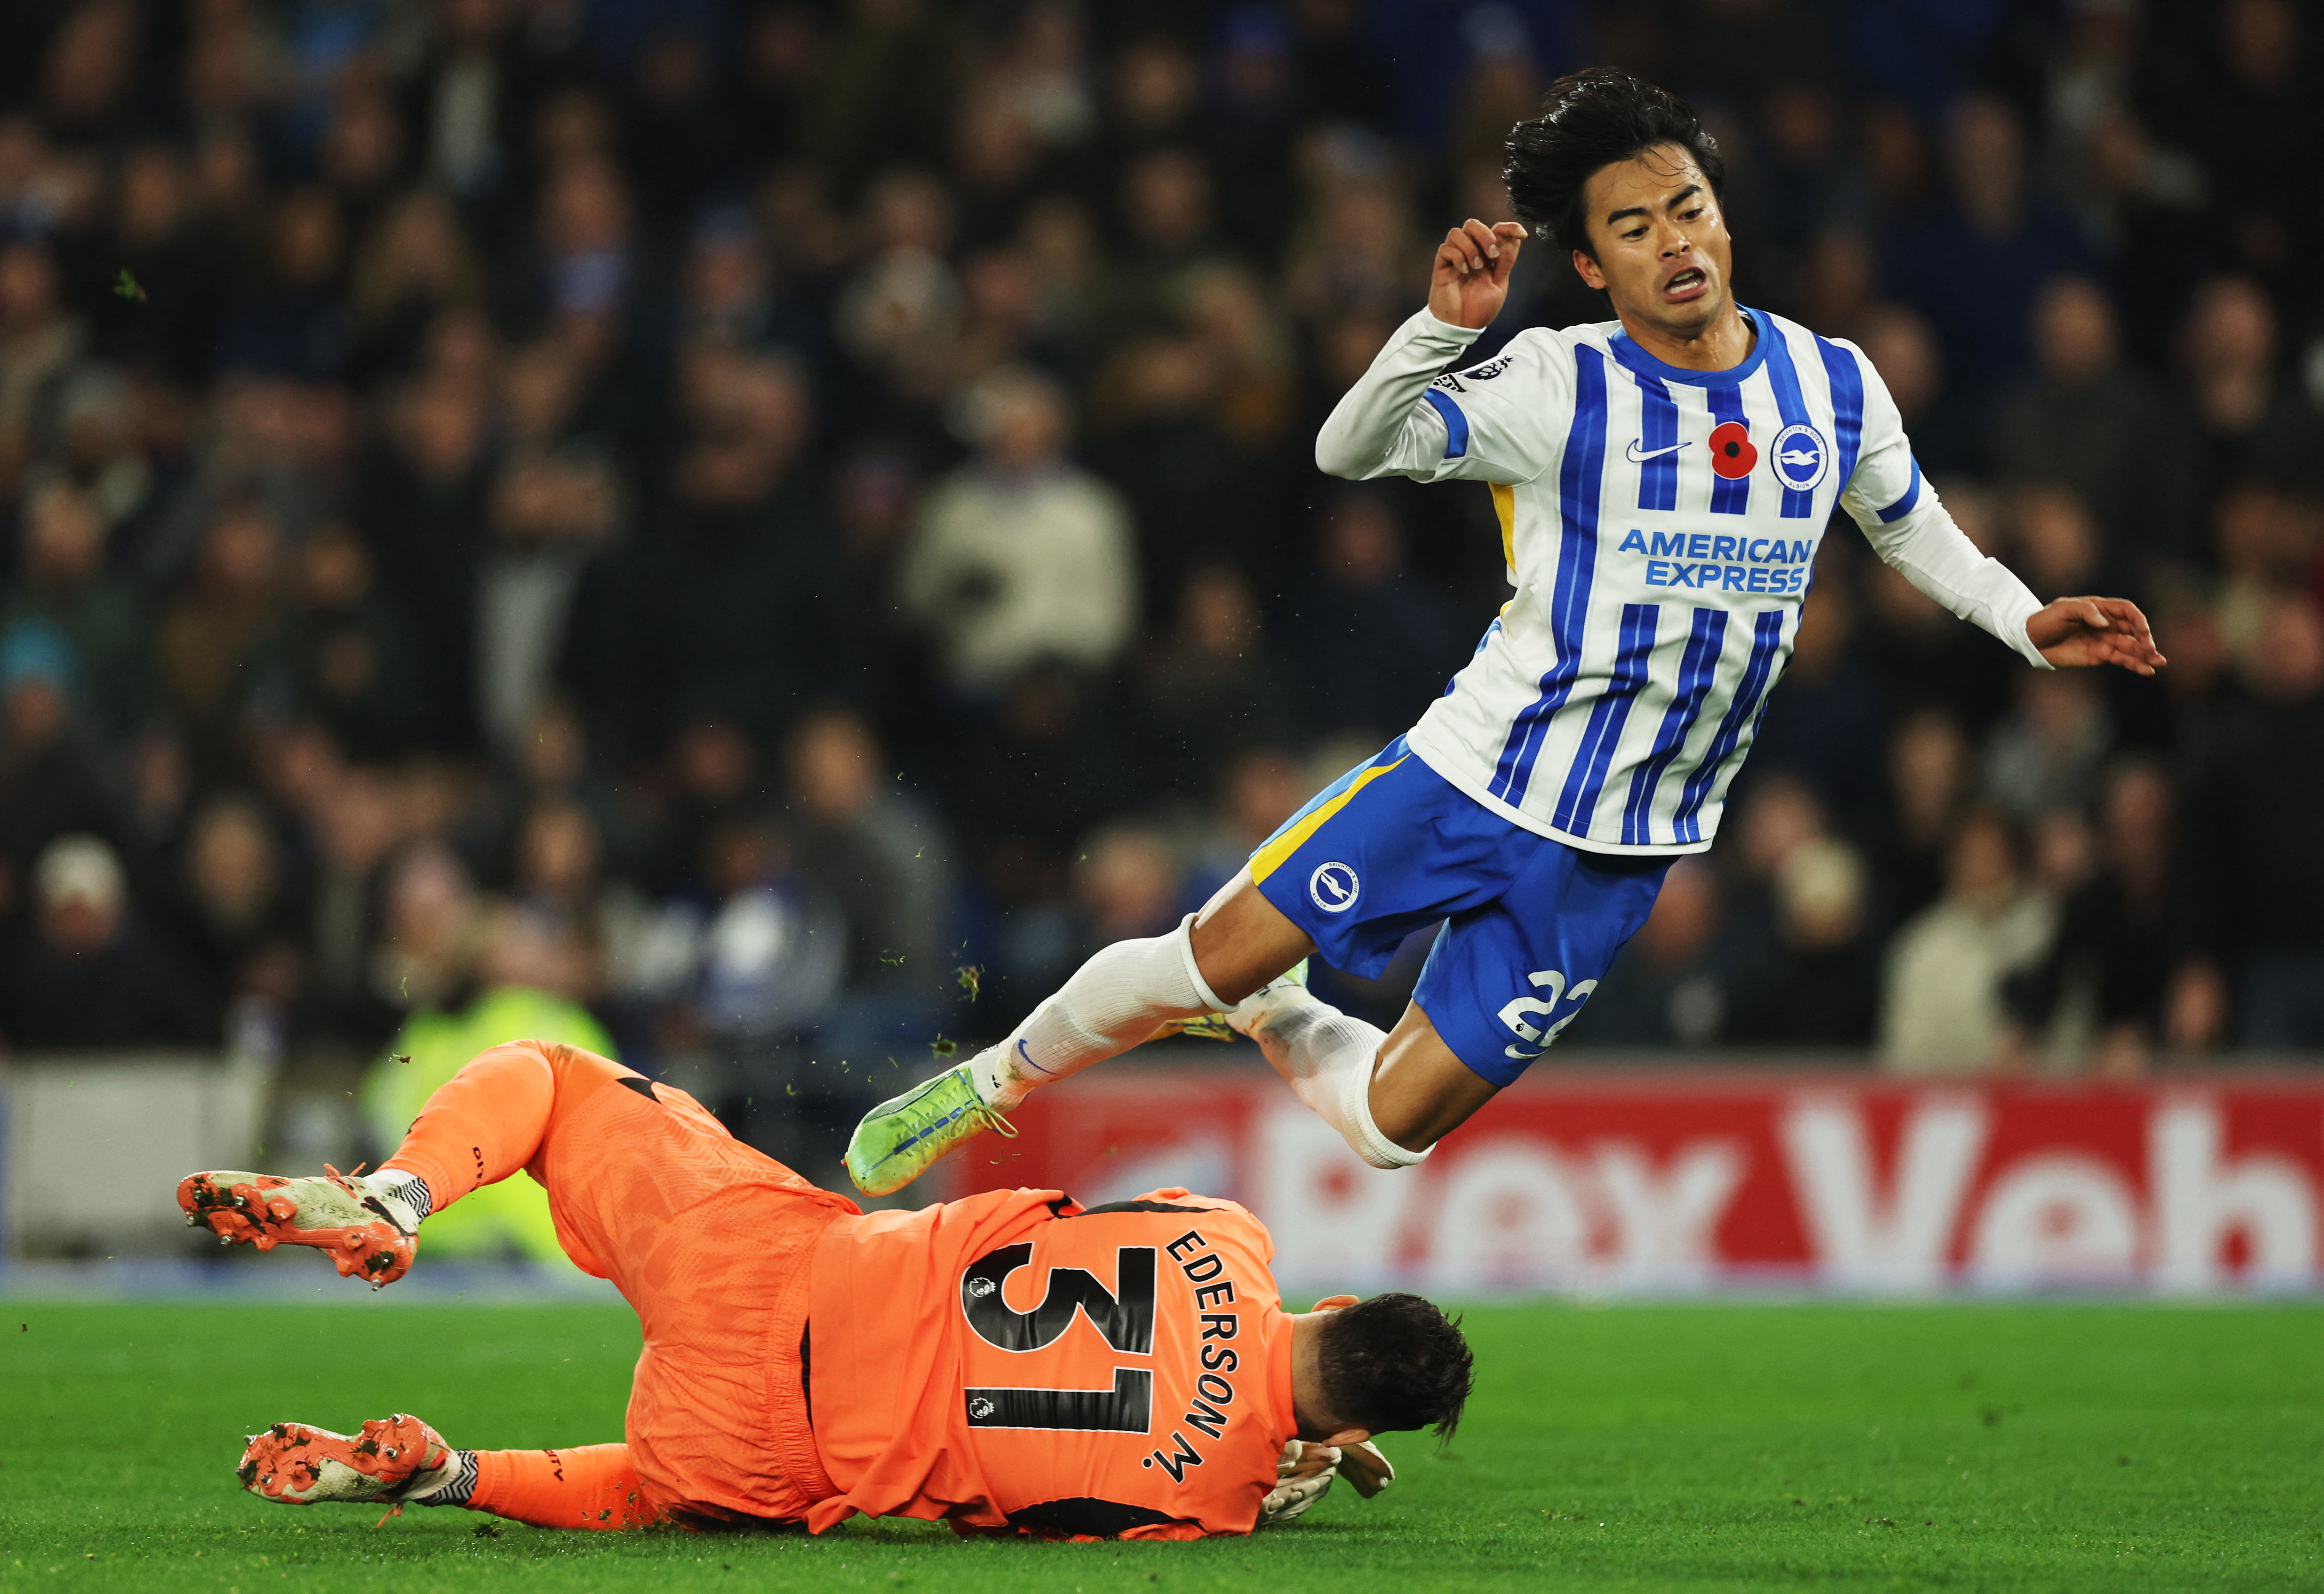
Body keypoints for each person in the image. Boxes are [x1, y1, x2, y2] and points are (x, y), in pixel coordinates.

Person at [845, 68, 2166, 1196]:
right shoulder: (1556, 380)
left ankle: (1277, 1016)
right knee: (1206, 957)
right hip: (1473, 773)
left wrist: (2021, 618)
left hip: (1624, 845)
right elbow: (1347, 445)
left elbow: (1909, 526)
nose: (1674, 242)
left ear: (1722, 215)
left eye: (1688, 208)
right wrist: (1439, 332)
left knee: (1387, 1131)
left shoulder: (1832, 382)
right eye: (1634, 227)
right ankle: (987, 1083)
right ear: (1591, 265)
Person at [180, 1039, 1468, 1539]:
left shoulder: (1228, 1237)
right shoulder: (1208, 1503)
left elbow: (1110, 1235)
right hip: (772, 1448)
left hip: (777, 1264)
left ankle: (400, 1198)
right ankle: (450, 1474)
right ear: (1361, 1422)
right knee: (664, 1497)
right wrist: (1281, 1452)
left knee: (554, 1081)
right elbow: (1049, 1513)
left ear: (1338, 1304)